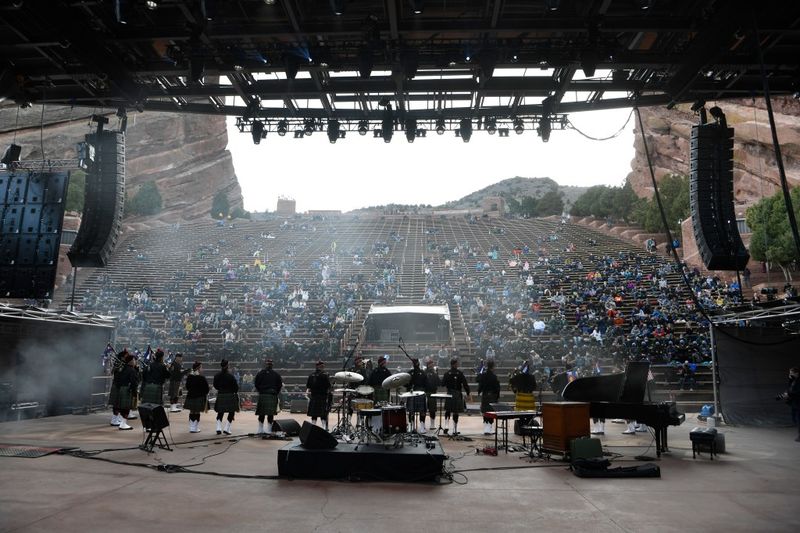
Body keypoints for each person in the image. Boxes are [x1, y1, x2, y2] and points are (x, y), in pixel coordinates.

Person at [441, 358, 470, 435]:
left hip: (449, 393)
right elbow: (465, 384)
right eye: (457, 363)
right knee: (455, 412)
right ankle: (455, 429)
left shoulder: (447, 373)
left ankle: (446, 426)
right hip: (457, 393)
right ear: (454, 364)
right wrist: (468, 392)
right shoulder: (460, 373)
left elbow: (442, 384)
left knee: (448, 410)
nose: (458, 364)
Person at [254, 358, 283, 434]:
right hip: (271, 395)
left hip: (263, 394)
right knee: (270, 414)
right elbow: (279, 386)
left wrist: (260, 391)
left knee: (261, 413)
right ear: (272, 365)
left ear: (266, 364)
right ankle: (269, 430)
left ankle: (260, 430)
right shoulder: (276, 374)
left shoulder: (260, 373)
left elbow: (256, 384)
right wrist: (276, 393)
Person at [213, 359, 240, 435]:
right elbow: (236, 388)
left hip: (221, 394)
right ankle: (226, 428)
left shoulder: (217, 375)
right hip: (230, 395)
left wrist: (221, 390)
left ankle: (218, 427)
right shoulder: (231, 376)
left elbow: (215, 385)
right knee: (232, 411)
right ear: (227, 365)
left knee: (220, 412)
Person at [115, 353, 140, 431]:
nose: (135, 361)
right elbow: (134, 382)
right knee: (126, 407)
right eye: (134, 360)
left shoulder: (123, 368)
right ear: (130, 361)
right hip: (128, 389)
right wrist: (134, 392)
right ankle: (123, 424)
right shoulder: (132, 370)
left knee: (122, 407)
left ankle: (123, 423)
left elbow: (117, 379)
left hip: (122, 388)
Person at [184, 361, 209, 433]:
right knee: (197, 412)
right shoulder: (202, 378)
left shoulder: (189, 377)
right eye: (201, 367)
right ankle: (195, 427)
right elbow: (206, 389)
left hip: (190, 396)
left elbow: (187, 387)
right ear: (198, 368)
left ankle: (192, 427)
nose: (202, 369)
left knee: (192, 411)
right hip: (199, 397)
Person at [306, 360, 332, 429]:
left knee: (314, 414)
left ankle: (313, 427)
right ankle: (323, 428)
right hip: (322, 397)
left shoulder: (311, 375)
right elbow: (329, 386)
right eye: (322, 366)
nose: (323, 367)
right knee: (323, 414)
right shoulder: (325, 375)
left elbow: (308, 386)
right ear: (319, 366)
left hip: (314, 396)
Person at [478, 360, 501, 435]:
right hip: (492, 395)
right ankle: (489, 429)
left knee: (485, 412)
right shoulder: (494, 377)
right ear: (493, 366)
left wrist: (479, 391)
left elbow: (480, 384)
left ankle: (486, 429)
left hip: (485, 395)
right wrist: (497, 396)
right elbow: (497, 388)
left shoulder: (483, 375)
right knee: (490, 412)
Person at [405, 358, 428, 433]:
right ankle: (418, 427)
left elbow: (406, 384)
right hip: (418, 392)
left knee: (414, 411)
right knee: (417, 411)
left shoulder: (410, 373)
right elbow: (427, 384)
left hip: (414, 392)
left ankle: (416, 427)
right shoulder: (422, 372)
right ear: (418, 363)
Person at [778, 367, 800, 442]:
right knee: (794, 419)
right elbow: (789, 389)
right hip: (794, 403)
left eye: (791, 373)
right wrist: (790, 379)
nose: (790, 374)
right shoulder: (794, 380)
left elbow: (797, 392)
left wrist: (789, 394)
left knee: (798, 419)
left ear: (797, 373)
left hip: (798, 402)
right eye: (790, 373)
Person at [423, 358, 441, 424]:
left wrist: (436, 373)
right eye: (431, 364)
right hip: (425, 392)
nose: (432, 365)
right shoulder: (424, 372)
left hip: (433, 392)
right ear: (428, 365)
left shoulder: (434, 372)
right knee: (424, 410)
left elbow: (439, 383)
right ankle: (423, 424)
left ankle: (432, 423)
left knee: (432, 409)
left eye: (432, 364)